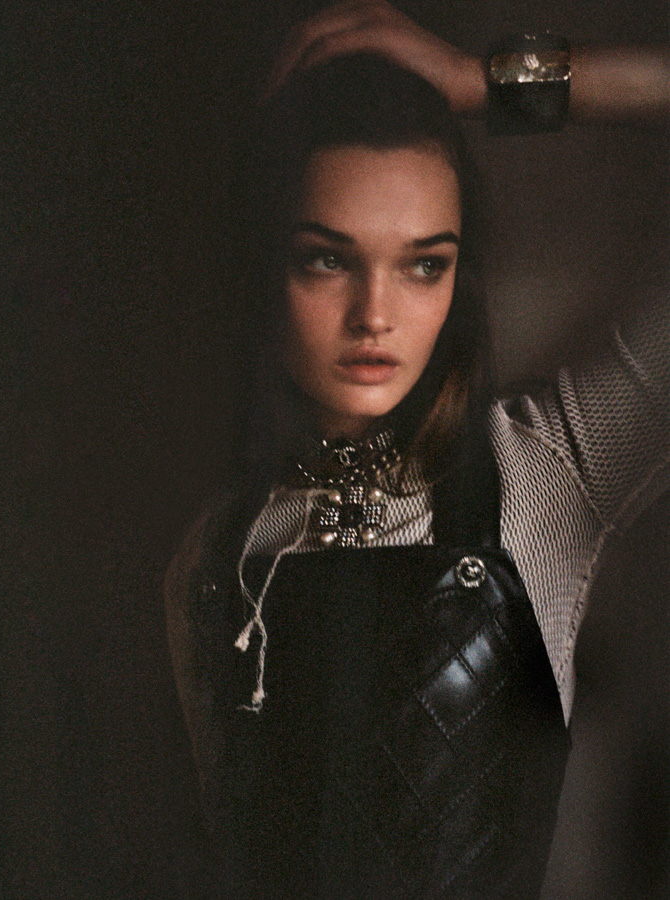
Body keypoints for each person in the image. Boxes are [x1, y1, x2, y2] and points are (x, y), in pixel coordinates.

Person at [164, 3, 669, 898]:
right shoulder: (215, 553)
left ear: (458, 278)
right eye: (327, 259)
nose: (376, 315)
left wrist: (490, 83)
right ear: (264, 265)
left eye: (423, 264)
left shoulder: (548, 468)